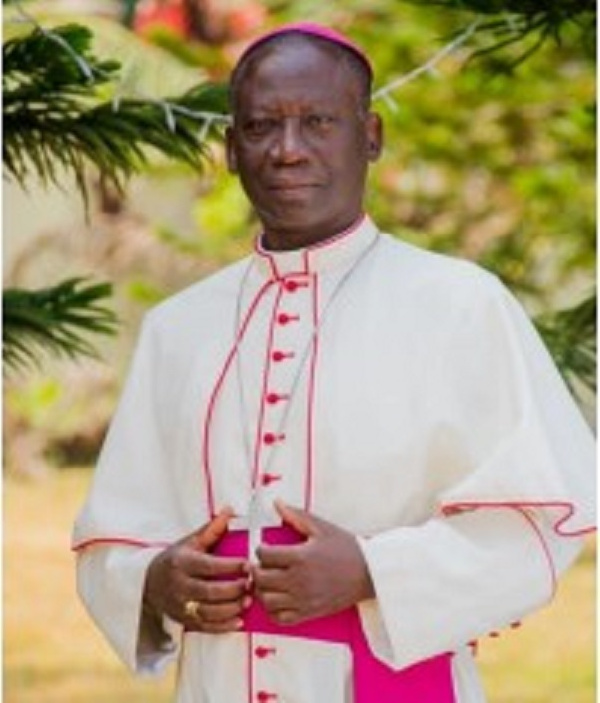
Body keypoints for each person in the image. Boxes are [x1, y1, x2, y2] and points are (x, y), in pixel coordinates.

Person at [73, 22, 595, 703]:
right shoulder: (180, 327)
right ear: (232, 149)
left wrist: (373, 570)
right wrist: (156, 579)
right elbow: (110, 538)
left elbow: (535, 529)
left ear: (370, 135)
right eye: (262, 126)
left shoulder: (460, 304)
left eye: (318, 121)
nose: (289, 151)